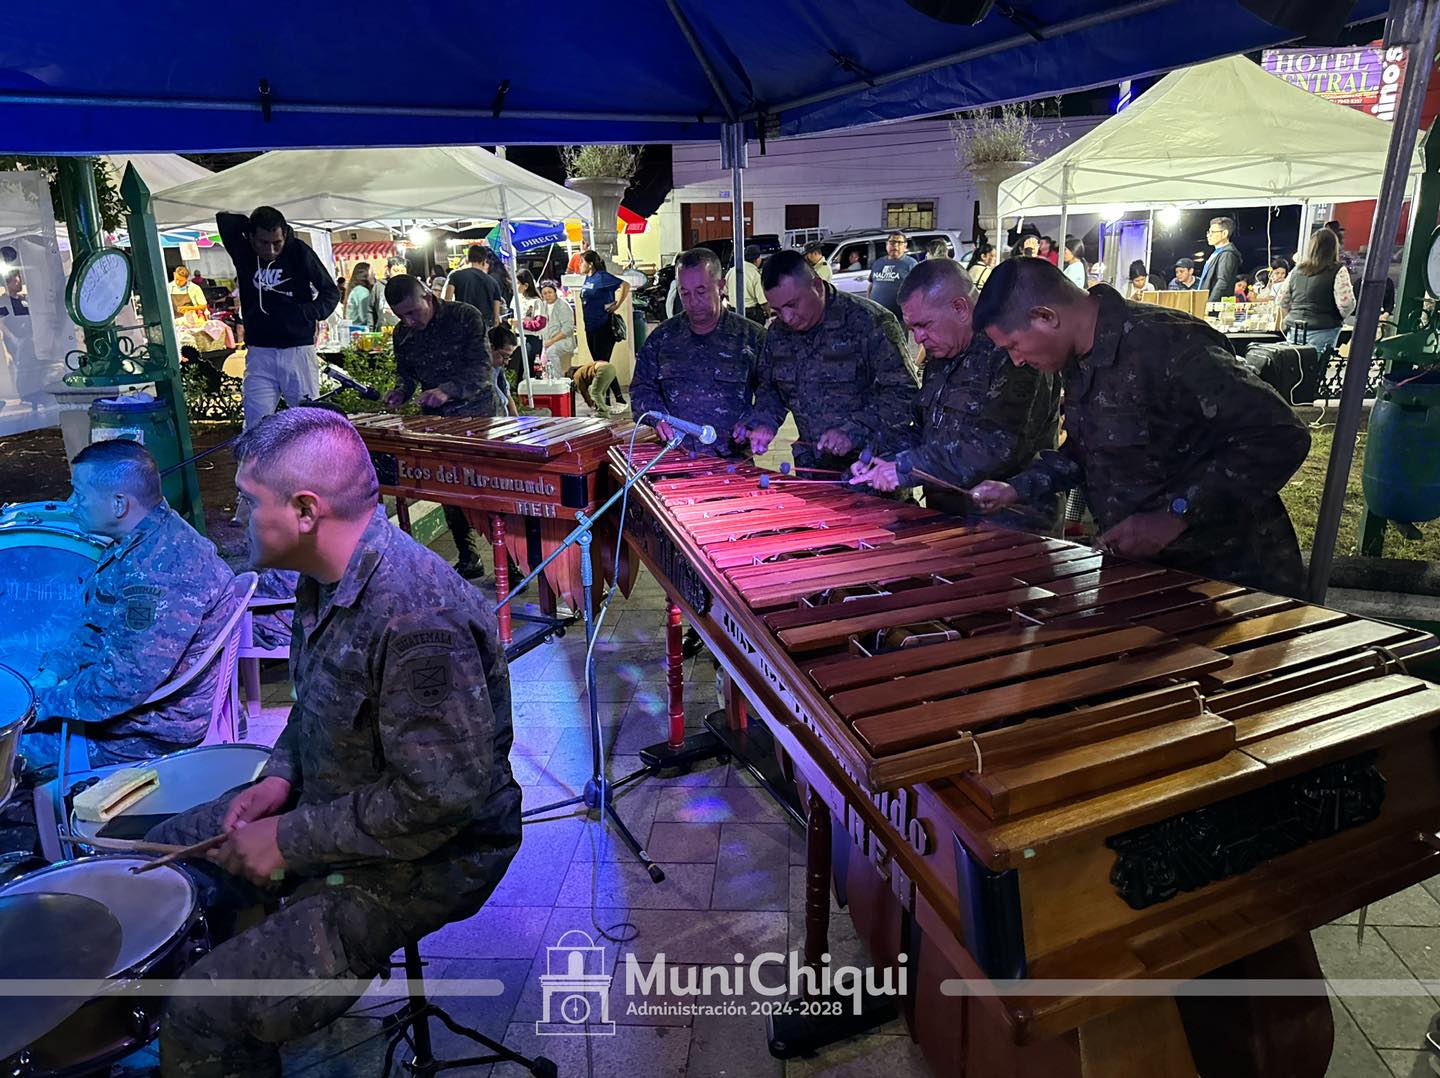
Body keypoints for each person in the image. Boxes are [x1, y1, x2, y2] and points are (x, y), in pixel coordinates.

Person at [149, 408, 520, 1078]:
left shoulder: (416, 615)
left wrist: (289, 840)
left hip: (433, 854)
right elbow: (314, 704)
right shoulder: (323, 576)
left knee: (202, 1014)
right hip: (340, 806)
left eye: (248, 501)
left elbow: (441, 801)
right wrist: (278, 777)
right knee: (163, 858)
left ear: (305, 510)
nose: (236, 515)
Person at [968, 257, 1311, 597]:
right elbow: (1089, 449)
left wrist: (1174, 515)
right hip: (1147, 573)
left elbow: (1280, 434)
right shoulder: (1077, 357)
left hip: (1228, 576)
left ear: (1045, 317)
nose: (1016, 360)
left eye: (1014, 345)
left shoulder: (1167, 344)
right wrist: (1016, 488)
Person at [22, 441, 235, 771]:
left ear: (119, 504)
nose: (71, 503)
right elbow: (97, 628)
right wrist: (52, 672)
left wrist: (34, 708)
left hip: (148, 730)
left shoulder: (160, 572)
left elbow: (121, 685)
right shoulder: (145, 538)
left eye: (80, 494)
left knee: (10, 751)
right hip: (124, 707)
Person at [849, 259, 1059, 529]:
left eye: (924, 325)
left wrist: (908, 466)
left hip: (1009, 524)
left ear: (960, 308)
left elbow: (998, 448)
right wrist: (881, 456)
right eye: (913, 329)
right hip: (946, 517)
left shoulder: (1013, 350)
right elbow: (926, 432)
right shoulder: (943, 352)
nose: (918, 339)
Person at [736, 250, 917, 471]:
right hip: (813, 469)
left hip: (871, 471)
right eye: (778, 310)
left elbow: (904, 393)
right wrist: (765, 421)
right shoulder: (778, 334)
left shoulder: (870, 322)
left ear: (817, 286)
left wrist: (854, 429)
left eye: (793, 304)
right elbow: (771, 389)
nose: (787, 317)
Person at [382, 274, 495, 579]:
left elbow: (482, 368)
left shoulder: (465, 316)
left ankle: (508, 562)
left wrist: (448, 390)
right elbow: (406, 374)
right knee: (448, 489)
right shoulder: (402, 333)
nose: (408, 321)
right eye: (401, 316)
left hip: (477, 415)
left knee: (486, 490)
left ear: (428, 298)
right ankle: (468, 557)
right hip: (436, 420)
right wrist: (401, 391)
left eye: (412, 312)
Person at [631, 247, 764, 456]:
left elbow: (773, 393)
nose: (693, 301)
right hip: (675, 457)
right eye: (685, 293)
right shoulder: (662, 338)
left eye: (701, 292)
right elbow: (642, 388)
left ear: (721, 286)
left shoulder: (752, 337)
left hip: (730, 460)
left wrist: (755, 421)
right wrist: (657, 418)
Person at [217, 206, 341, 429]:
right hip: (260, 352)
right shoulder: (243, 252)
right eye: (263, 242)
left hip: (297, 350)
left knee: (307, 423)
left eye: (277, 242)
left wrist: (305, 313)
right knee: (255, 423)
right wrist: (251, 224)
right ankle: (257, 455)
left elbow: (330, 292)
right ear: (251, 237)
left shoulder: (298, 251)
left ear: (285, 235)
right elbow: (225, 220)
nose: (271, 250)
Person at [1276, 226, 1355, 355]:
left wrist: (1292, 314)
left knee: (1293, 365)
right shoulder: (1337, 270)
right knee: (1316, 366)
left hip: (1294, 329)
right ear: (1333, 248)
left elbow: (1281, 300)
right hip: (1323, 329)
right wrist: (1338, 317)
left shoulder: (1297, 270)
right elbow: (1346, 304)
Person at [578, 250, 630, 407]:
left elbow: (625, 285)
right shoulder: (588, 278)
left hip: (603, 326)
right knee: (600, 364)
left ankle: (614, 400)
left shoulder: (602, 277)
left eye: (582, 262)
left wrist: (617, 305)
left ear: (590, 264)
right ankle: (612, 399)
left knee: (602, 365)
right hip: (590, 326)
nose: (579, 265)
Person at [444, 245, 504, 329]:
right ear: (484, 260)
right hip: (484, 327)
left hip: (463, 325)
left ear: (468, 259)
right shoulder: (493, 283)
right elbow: (496, 318)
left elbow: (447, 303)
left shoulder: (455, 276)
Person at [868, 232, 917, 320]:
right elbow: (871, 285)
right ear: (886, 244)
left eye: (899, 242)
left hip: (900, 318)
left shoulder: (911, 264)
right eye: (892, 242)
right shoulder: (878, 263)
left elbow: (918, 291)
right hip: (877, 316)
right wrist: (868, 305)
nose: (895, 245)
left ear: (905, 246)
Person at [1197, 216, 1243, 302]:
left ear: (1224, 233)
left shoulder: (1227, 254)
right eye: (1208, 232)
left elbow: (1223, 282)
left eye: (1212, 232)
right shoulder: (1217, 253)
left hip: (1215, 305)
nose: (1208, 235)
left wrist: (1209, 303)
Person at [724, 244, 769, 324]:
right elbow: (763, 301)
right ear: (757, 260)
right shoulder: (755, 275)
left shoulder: (731, 271)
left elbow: (726, 294)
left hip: (733, 313)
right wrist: (769, 315)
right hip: (751, 315)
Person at [540, 280, 578, 373]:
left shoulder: (563, 306)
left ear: (555, 292)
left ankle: (557, 378)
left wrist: (551, 341)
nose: (547, 295)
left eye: (550, 292)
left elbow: (568, 329)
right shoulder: (542, 306)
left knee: (551, 351)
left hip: (564, 341)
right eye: (545, 293)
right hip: (546, 341)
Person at [515, 269, 546, 375]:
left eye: (518, 283)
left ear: (526, 285)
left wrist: (521, 324)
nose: (515, 286)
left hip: (532, 339)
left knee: (531, 369)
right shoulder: (516, 299)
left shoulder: (536, 301)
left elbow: (540, 323)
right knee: (518, 368)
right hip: (518, 337)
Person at [488, 324, 520, 417]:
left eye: (509, 357)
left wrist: (517, 420)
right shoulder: (476, 374)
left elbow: (507, 394)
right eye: (504, 356)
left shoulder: (498, 369)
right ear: (491, 348)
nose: (506, 362)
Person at [343, 262, 379, 329]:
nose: (374, 275)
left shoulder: (356, 290)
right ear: (364, 275)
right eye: (372, 272)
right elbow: (365, 317)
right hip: (360, 330)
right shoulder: (362, 291)